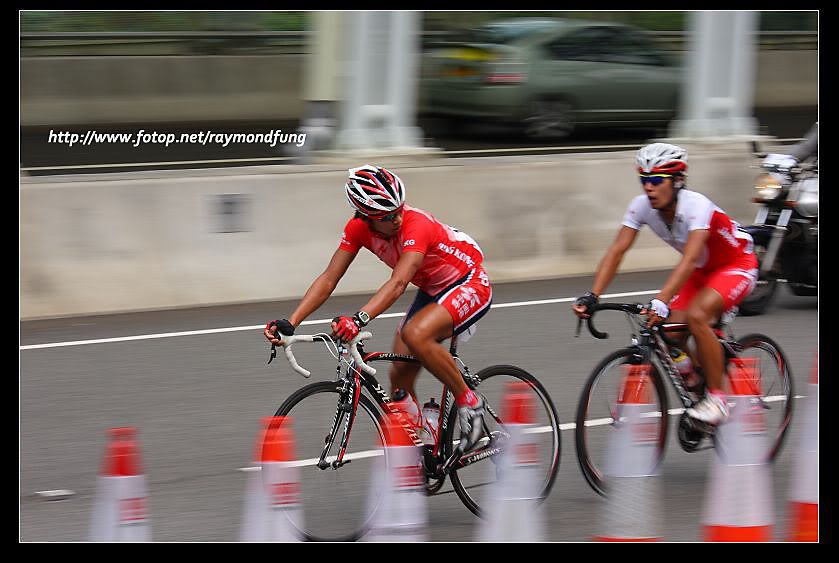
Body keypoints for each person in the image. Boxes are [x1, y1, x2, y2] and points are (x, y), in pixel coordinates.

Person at [264, 165, 492, 451]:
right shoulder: (358, 229)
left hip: (468, 280)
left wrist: (359, 320)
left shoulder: (415, 223)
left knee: (417, 335)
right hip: (434, 289)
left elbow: (398, 283)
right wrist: (292, 321)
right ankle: (425, 439)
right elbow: (329, 278)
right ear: (366, 217)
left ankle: (471, 404)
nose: (397, 218)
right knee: (398, 372)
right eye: (387, 216)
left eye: (398, 209)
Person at [572, 143, 758, 425]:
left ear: (677, 181)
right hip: (701, 271)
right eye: (644, 180)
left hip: (736, 265)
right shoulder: (641, 207)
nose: (649, 188)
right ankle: (697, 382)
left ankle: (718, 400)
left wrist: (661, 300)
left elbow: (691, 257)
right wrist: (593, 294)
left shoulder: (696, 206)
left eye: (657, 180)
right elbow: (617, 250)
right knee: (669, 334)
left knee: (697, 317)